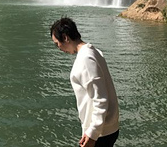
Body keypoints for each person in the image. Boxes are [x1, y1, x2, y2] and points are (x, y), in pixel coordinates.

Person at [50, 17, 119, 147]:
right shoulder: (93, 51)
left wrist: (92, 134)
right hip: (105, 129)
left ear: (65, 37)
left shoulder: (86, 58)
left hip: (100, 133)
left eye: (56, 43)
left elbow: (101, 99)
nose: (58, 47)